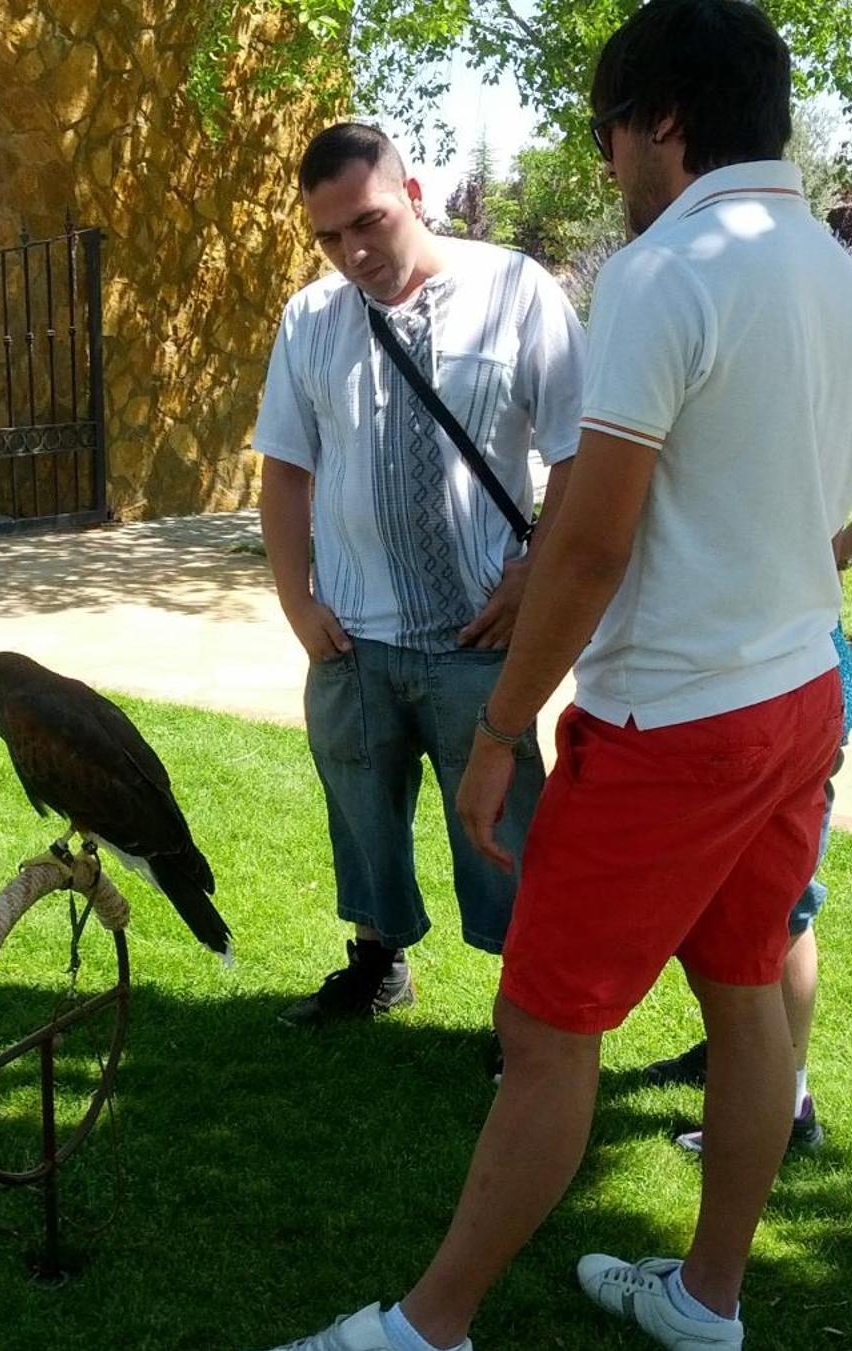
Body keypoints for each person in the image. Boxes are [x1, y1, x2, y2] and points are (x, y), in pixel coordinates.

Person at [230, 0, 852, 1351]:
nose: (606, 165)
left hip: (671, 727)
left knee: (543, 1034)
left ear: (660, 118)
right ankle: (708, 1300)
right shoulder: (836, 277)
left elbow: (587, 546)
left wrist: (495, 730)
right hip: (793, 701)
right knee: (747, 999)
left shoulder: (668, 268)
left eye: (607, 133)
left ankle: (423, 1343)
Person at [253, 121, 585, 1027]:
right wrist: (295, 599)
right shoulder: (310, 319)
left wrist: (531, 575)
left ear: (414, 194)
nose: (352, 252)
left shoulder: (515, 289)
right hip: (353, 636)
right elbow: (285, 468)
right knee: (361, 813)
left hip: (480, 634)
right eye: (328, 236)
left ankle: (528, 1010)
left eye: (368, 221)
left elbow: (581, 455)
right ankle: (376, 963)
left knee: (504, 830)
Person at [647, 410, 852, 1153]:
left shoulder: (801, 380)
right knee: (754, 898)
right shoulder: (794, 370)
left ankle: (783, 1098)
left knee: (780, 902)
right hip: (775, 669)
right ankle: (749, 1060)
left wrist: (839, 548)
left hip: (779, 677)